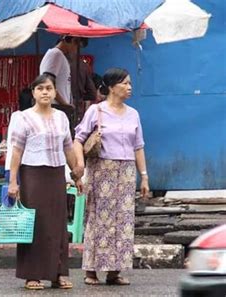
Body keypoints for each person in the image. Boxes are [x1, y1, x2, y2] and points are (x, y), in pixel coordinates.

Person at [73, 68, 149, 286]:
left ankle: (115, 271)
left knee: (123, 221)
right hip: (101, 170)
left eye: (130, 83)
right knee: (99, 219)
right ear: (112, 87)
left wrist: (143, 176)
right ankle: (91, 270)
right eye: (125, 83)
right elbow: (78, 139)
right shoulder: (96, 111)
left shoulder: (133, 114)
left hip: (125, 172)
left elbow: (139, 146)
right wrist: (80, 166)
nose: (129, 87)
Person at [7, 73, 83, 290]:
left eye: (49, 88)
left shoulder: (61, 117)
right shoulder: (24, 118)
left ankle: (57, 274)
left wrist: (77, 174)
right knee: (36, 224)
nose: (45, 92)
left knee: (57, 225)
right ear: (34, 93)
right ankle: (32, 275)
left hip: (56, 174)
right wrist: (13, 181)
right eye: (40, 89)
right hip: (33, 175)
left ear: (54, 92)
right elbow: (16, 151)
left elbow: (68, 147)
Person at [39, 35, 80, 124]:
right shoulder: (56, 54)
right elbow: (47, 82)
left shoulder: (59, 56)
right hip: (56, 107)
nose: (76, 51)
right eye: (77, 46)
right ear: (72, 40)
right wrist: (64, 104)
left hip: (59, 107)